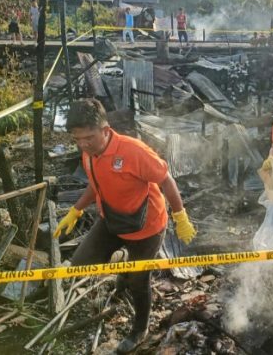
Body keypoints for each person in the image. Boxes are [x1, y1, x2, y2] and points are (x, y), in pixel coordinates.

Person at [53, 98, 196, 353]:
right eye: (77, 139)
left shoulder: (134, 151)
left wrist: (180, 216)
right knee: (80, 263)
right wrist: (76, 210)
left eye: (89, 137)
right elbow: (96, 184)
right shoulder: (89, 154)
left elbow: (166, 181)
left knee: (139, 282)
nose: (83, 144)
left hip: (146, 227)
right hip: (111, 220)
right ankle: (123, 270)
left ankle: (139, 329)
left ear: (105, 130)